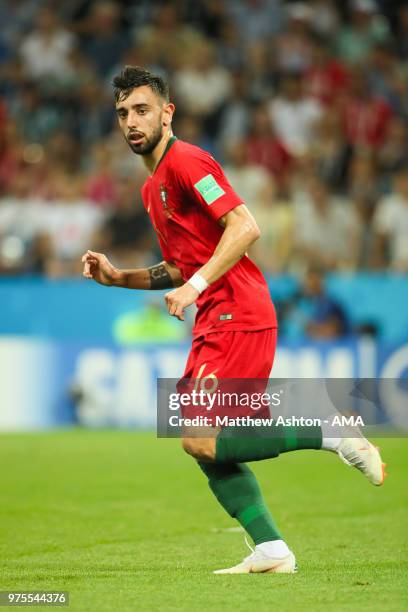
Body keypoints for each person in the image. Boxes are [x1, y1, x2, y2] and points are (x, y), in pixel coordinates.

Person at [81, 66, 386, 575]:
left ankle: (331, 431)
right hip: (215, 315)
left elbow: (246, 226)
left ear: (166, 112)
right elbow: (180, 265)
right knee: (206, 445)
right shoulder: (151, 186)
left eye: (141, 110)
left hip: (236, 309)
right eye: (122, 114)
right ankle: (271, 550)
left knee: (198, 436)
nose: (131, 122)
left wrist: (195, 287)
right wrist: (119, 279)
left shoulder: (187, 160)